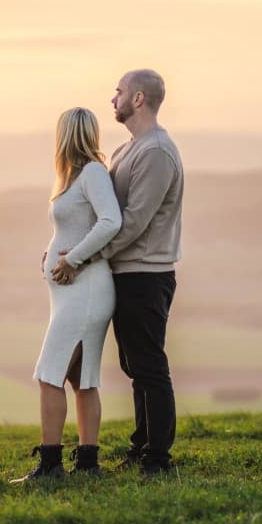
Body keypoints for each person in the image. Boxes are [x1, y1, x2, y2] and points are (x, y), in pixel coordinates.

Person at [53, 69, 182, 475]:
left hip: (146, 273)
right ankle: (141, 446)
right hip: (125, 272)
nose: (113, 99)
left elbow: (134, 222)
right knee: (134, 365)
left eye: (119, 92)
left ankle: (157, 459)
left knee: (149, 365)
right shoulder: (131, 148)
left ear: (139, 99)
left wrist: (83, 256)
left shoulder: (156, 152)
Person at [12, 107, 122, 483]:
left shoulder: (91, 172)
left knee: (49, 375)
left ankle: (51, 466)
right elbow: (79, 224)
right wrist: (54, 250)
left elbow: (111, 221)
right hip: (78, 291)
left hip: (85, 291)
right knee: (82, 379)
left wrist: (73, 258)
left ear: (65, 134)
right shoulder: (75, 176)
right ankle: (88, 466)